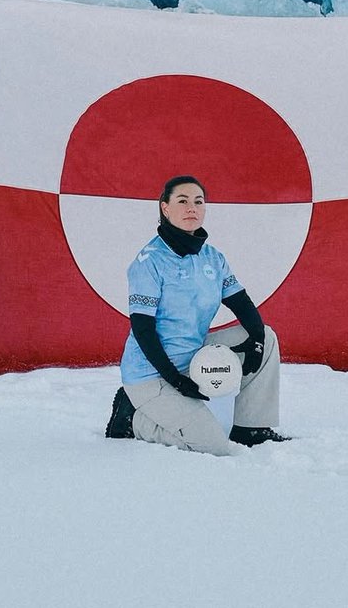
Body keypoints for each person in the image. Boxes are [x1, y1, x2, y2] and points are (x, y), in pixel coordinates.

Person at [105, 175, 288, 454]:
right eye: (182, 201)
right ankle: (133, 417)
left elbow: (241, 304)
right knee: (213, 445)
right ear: (165, 208)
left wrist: (257, 340)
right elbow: (143, 331)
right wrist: (175, 380)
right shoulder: (149, 261)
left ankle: (249, 427)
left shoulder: (212, 257)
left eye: (198, 201)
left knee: (268, 336)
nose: (192, 207)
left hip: (193, 355)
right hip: (152, 373)